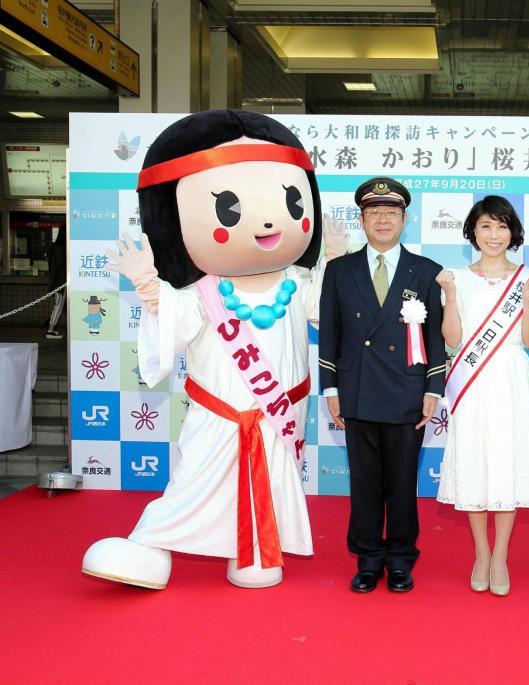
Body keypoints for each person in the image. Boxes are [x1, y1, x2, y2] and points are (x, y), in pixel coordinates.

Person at [81, 110, 344, 590]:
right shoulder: (205, 291)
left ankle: (258, 554)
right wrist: (146, 281)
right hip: (219, 413)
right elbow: (174, 323)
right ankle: (150, 546)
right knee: (197, 480)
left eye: (288, 201)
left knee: (272, 485)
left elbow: (330, 311)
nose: (267, 220)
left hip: (276, 412)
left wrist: (335, 264)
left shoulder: (297, 282)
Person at [318, 176, 445, 594]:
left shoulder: (425, 271)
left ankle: (401, 560)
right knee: (365, 481)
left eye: (391, 213)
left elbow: (435, 337)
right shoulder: (339, 270)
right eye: (374, 213)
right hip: (356, 391)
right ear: (361, 219)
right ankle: (369, 559)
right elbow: (331, 334)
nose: (383, 220)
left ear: (405, 220)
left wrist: (433, 389)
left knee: (402, 483)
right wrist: (331, 390)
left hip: (407, 391)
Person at [435, 195, 529, 597]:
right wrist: (449, 296)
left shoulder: (527, 278)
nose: (494, 234)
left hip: (512, 379)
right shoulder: (457, 277)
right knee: (475, 464)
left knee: (506, 464)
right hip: (473, 382)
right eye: (486, 226)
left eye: (501, 226)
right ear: (473, 232)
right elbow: (452, 339)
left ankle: (500, 555)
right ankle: (480, 553)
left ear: (512, 232)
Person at [46, 228, 66, 339]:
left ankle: (51, 330)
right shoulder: (60, 250)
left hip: (56, 282)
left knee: (58, 306)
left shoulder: (54, 248)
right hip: (60, 283)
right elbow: (62, 265)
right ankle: (50, 330)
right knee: (58, 307)